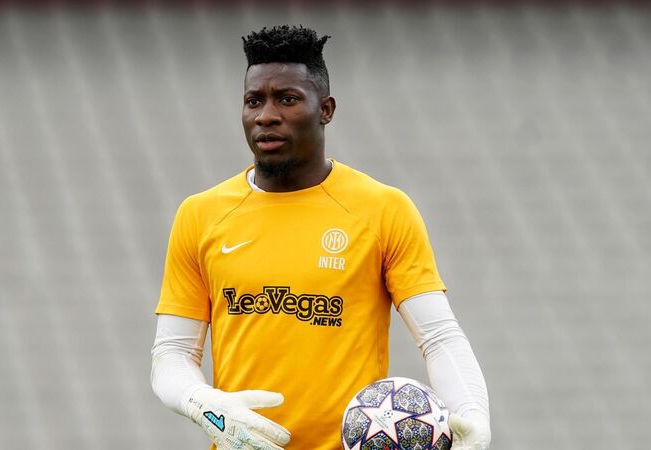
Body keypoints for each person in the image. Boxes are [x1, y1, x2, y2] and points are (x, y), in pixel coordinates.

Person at [151, 25, 490, 450]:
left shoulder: (383, 209)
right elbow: (172, 353)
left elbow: (438, 337)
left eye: (287, 99)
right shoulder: (200, 215)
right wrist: (203, 403)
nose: (266, 115)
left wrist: (473, 414)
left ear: (325, 109)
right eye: (254, 101)